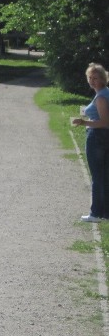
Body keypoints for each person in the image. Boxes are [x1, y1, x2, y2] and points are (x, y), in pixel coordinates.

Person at [72, 63, 109, 222]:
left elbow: (104, 122)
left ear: (103, 79)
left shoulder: (101, 97)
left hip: (98, 137)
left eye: (96, 78)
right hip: (104, 136)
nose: (92, 81)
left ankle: (96, 213)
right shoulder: (105, 93)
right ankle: (105, 212)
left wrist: (83, 122)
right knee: (104, 175)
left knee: (97, 176)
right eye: (90, 78)